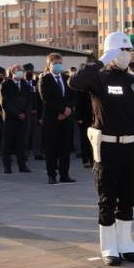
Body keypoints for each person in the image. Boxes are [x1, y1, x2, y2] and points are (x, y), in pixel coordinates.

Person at [69, 31, 134, 266]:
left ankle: (126, 243)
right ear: (111, 51)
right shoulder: (98, 78)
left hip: (131, 148)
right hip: (106, 147)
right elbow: (75, 82)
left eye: (128, 50)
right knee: (107, 198)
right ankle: (109, 247)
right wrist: (101, 61)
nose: (127, 54)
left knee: (128, 198)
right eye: (122, 50)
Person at [39, 53, 75, 184]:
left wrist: (68, 110)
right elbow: (46, 98)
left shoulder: (66, 78)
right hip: (52, 118)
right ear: (49, 65)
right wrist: (61, 110)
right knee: (51, 148)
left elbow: (72, 96)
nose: (57, 65)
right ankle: (52, 175)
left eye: (59, 62)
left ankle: (64, 174)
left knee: (65, 148)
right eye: (54, 63)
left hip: (66, 118)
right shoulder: (45, 79)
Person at [0, 64, 33, 174]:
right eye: (17, 70)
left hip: (24, 119)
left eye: (21, 70)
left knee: (22, 143)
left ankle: (22, 165)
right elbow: (5, 102)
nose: (20, 72)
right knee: (7, 143)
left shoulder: (26, 85)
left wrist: (25, 113)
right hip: (10, 118)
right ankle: (7, 166)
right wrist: (17, 113)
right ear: (12, 72)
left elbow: (30, 101)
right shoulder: (6, 84)